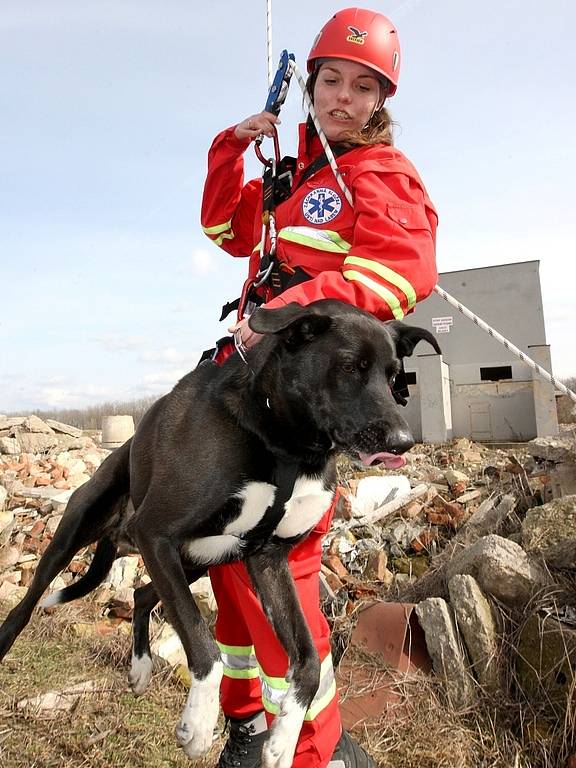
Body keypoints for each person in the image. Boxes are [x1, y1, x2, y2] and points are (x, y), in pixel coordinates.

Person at [201, 7, 438, 768]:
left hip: (303, 407)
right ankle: (244, 720)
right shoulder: (291, 177)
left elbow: (397, 274)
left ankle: (316, 749)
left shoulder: (379, 175)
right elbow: (225, 235)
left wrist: (283, 314)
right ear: (310, 85)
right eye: (330, 79)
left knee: (281, 569)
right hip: (243, 388)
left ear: (379, 103)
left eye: (361, 87)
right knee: (225, 558)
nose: (341, 96)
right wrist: (227, 153)